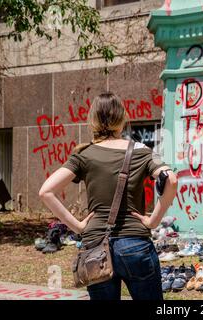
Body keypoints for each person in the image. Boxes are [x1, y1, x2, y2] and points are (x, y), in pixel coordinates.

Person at [39, 92, 177, 300]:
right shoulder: (142, 151)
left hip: (95, 246)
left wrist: (77, 226)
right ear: (122, 119)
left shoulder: (83, 154)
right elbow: (171, 180)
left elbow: (46, 191)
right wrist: (153, 220)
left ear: (93, 120)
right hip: (135, 244)